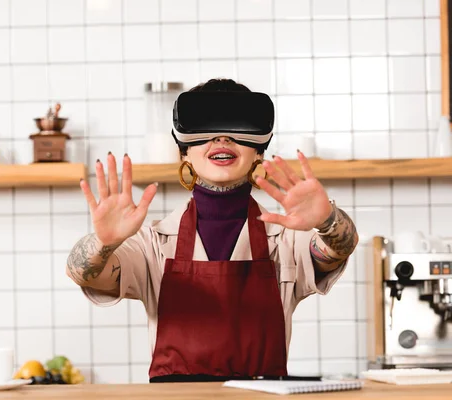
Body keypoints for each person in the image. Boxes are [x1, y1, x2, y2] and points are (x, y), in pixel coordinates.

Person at [66, 79, 359, 383]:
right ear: (183, 152)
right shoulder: (153, 243)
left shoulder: (286, 240)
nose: (222, 139)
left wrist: (328, 222)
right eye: (206, 130)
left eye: (236, 129)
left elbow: (337, 248)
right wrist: (103, 243)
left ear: (258, 151)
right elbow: (82, 272)